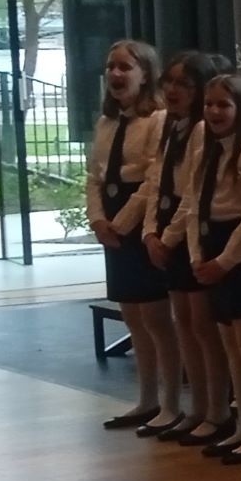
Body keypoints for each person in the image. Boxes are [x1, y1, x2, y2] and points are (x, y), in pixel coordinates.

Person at [183, 74, 241, 464]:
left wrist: (224, 261)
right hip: (211, 248)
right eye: (209, 104)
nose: (215, 111)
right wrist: (196, 255)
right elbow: (193, 205)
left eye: (224, 104)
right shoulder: (204, 150)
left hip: (239, 254)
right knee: (230, 347)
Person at [139, 52, 227, 443]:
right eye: (169, 82)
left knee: (203, 326)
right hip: (168, 227)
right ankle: (197, 407)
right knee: (185, 324)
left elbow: (193, 195)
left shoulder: (201, 131)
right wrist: (149, 232)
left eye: (184, 84)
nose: (173, 90)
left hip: (191, 232)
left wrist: (169, 237)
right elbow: (157, 182)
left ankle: (217, 409)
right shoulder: (170, 126)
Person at [88, 40, 176, 432]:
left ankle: (170, 403)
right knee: (133, 316)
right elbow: (94, 176)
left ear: (146, 74)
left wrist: (122, 224)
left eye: (125, 67)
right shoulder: (106, 122)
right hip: (112, 223)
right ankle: (146, 398)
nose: (116, 74)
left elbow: (154, 178)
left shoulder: (157, 120)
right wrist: (97, 220)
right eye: (111, 67)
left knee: (156, 318)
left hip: (141, 221)